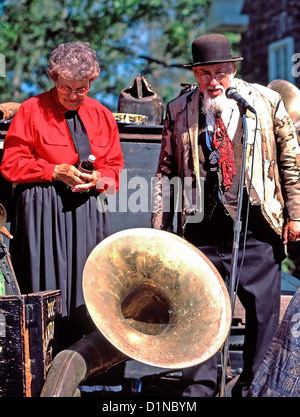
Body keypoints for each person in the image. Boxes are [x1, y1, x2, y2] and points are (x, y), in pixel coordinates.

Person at [151, 33, 300, 397]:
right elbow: (165, 174)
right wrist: (161, 231)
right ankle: (199, 389)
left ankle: (255, 386)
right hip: (201, 228)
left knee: (262, 313)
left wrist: (296, 215)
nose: (213, 82)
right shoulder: (178, 109)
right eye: (204, 74)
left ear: (233, 69)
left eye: (220, 72)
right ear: (195, 73)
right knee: (200, 311)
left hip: (255, 227)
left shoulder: (265, 102)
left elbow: (291, 163)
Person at [0, 42, 124, 350]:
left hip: (87, 208)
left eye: (80, 89)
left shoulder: (101, 115)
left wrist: (99, 180)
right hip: (41, 206)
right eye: (65, 87)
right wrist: (54, 171)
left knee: (90, 285)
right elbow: (11, 164)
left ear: (91, 83)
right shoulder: (31, 110)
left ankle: (86, 364)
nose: (72, 95)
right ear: (53, 78)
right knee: (44, 284)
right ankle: (42, 362)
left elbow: (114, 171)